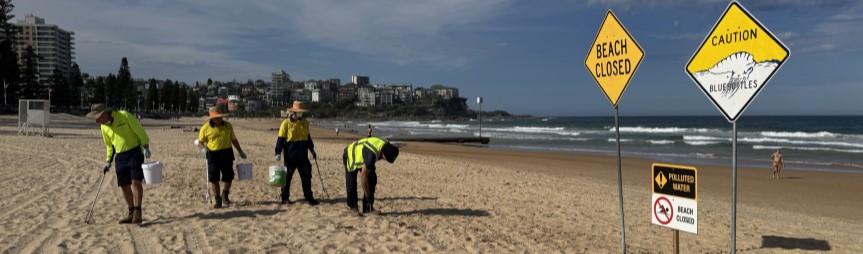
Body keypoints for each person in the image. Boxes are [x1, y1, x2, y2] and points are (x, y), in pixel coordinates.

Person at [86, 104, 152, 224]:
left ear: (105, 114)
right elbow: (109, 146)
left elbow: (139, 130)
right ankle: (131, 212)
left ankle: (138, 212)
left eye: (97, 117)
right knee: (124, 185)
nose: (96, 121)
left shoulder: (124, 116)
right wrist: (108, 161)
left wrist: (145, 146)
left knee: (136, 182)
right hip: (120, 157)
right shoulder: (103, 127)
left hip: (134, 152)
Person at [274, 101, 319, 205]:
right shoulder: (286, 123)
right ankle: (285, 198)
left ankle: (308, 197)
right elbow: (280, 139)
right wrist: (278, 152)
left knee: (307, 175)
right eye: (298, 112)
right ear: (293, 113)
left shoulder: (304, 122)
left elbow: (308, 138)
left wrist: (312, 150)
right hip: (290, 155)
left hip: (303, 155)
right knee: (287, 177)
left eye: (301, 112)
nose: (300, 114)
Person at [342, 136, 400, 215]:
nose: (383, 160)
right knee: (351, 183)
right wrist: (368, 195)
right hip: (351, 155)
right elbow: (363, 177)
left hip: (364, 155)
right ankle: (353, 207)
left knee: (372, 179)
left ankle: (368, 208)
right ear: (383, 154)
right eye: (384, 158)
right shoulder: (372, 154)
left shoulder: (385, 144)